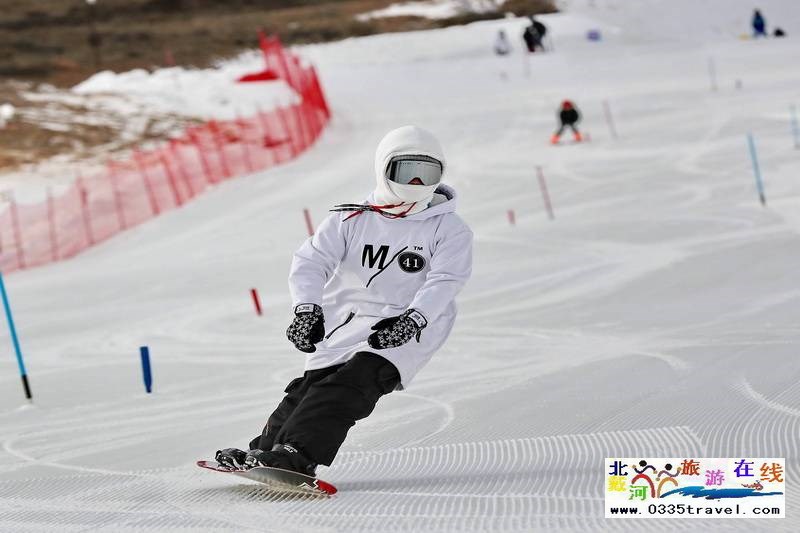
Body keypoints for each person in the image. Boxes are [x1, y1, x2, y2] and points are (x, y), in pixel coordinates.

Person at [215, 125, 474, 475]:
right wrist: (307, 309)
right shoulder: (351, 217)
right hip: (350, 321)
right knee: (307, 387)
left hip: (409, 326)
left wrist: (413, 320)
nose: (415, 184)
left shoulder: (448, 228)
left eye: (426, 173)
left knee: (350, 386)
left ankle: (299, 454)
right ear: (385, 168)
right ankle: (264, 450)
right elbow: (312, 261)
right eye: (407, 171)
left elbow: (446, 280)